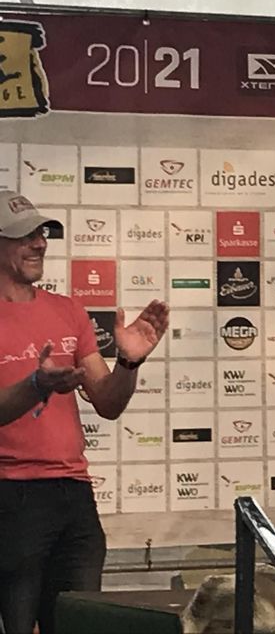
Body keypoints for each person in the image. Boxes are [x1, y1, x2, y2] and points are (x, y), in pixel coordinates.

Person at [0, 190, 169, 634]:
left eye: (41, 232)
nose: (39, 243)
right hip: (10, 497)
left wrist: (128, 361)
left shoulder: (67, 309)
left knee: (80, 622)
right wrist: (36, 386)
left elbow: (108, 403)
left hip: (74, 496)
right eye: (24, 235)